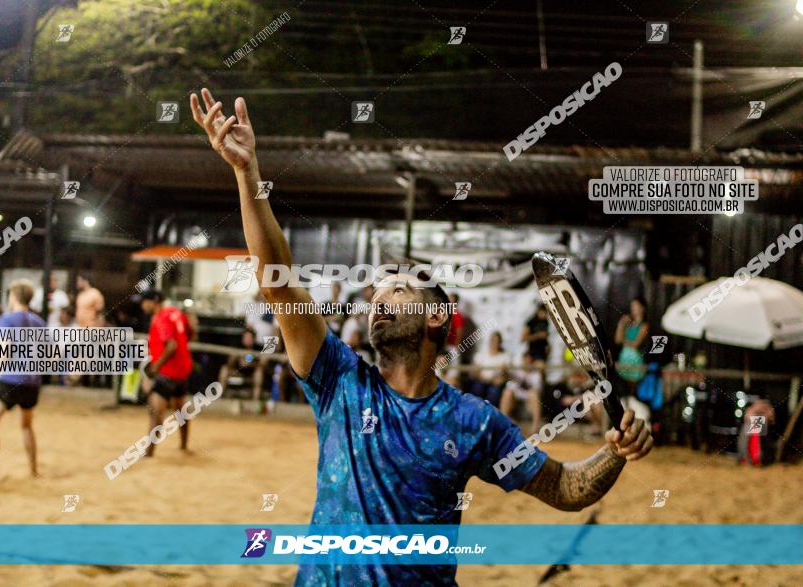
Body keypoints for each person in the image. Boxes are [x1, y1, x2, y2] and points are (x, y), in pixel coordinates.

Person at [191, 89, 653, 586]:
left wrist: (617, 451)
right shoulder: (339, 381)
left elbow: (564, 487)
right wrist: (246, 173)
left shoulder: (474, 422)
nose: (378, 301)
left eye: (397, 290)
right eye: (375, 294)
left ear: (438, 317)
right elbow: (275, 279)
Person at [0, 279, 46, 480]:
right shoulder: (39, 322)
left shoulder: (8, 319)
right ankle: (34, 471)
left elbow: (3, 351)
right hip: (32, 382)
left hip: (12, 379)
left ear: (13, 297)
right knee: (26, 425)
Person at [140, 290, 194, 455]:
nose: (143, 306)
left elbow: (171, 346)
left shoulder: (161, 318)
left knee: (156, 412)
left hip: (167, 371)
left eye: (144, 301)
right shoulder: (176, 313)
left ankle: (149, 452)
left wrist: (156, 366)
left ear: (153, 302)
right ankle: (184, 445)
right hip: (182, 369)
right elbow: (190, 332)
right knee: (180, 409)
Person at [614, 297, 650, 398]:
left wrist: (624, 341)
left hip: (635, 360)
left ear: (642, 308)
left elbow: (635, 344)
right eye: (632, 306)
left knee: (632, 390)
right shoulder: (629, 324)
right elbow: (617, 340)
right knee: (622, 389)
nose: (633, 308)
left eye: (636, 306)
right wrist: (621, 325)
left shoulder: (644, 325)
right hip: (624, 358)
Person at [500, 352, 544, 434]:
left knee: (534, 395)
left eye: (529, 360)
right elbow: (507, 377)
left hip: (528, 403)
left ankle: (535, 429)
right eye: (525, 360)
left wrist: (541, 372)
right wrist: (504, 370)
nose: (527, 362)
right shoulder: (517, 371)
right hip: (515, 401)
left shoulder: (536, 375)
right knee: (507, 392)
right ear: (522, 360)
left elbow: (538, 391)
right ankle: (502, 425)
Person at [218, 327, 267, 400]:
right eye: (245, 337)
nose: (247, 339)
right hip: (238, 370)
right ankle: (219, 397)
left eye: (249, 338)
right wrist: (236, 358)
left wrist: (251, 364)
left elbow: (263, 364)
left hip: (252, 371)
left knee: (259, 373)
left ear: (253, 339)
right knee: (224, 369)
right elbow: (230, 362)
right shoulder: (237, 346)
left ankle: (255, 400)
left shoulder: (258, 348)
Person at [470, 331, 510, 406]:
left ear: (500, 342)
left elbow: (505, 375)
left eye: (497, 341)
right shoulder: (481, 354)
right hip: (481, 381)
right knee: (477, 388)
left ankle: (489, 413)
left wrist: (500, 378)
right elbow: (475, 371)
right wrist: (481, 377)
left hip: (495, 383)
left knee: (494, 391)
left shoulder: (504, 357)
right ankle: (477, 411)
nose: (495, 343)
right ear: (489, 341)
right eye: (493, 340)